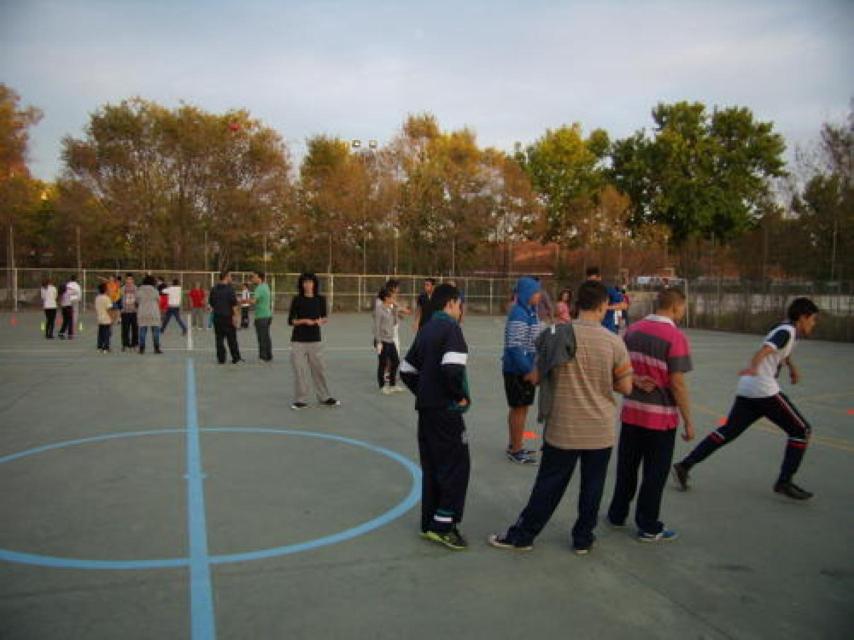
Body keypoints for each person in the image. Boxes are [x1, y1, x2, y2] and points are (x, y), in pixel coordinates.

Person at [488, 280, 633, 555]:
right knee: (593, 486)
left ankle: (524, 535)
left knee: (548, 485)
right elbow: (625, 387)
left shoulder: (556, 334)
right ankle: (583, 538)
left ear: (577, 304)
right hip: (600, 430)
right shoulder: (614, 342)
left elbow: (536, 376)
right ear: (603, 307)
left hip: (564, 427)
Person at [673, 298, 820, 501]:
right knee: (801, 430)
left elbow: (780, 352)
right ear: (803, 317)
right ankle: (784, 482)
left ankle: (684, 465)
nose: (814, 323)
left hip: (748, 388)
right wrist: (754, 366)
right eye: (813, 319)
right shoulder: (786, 331)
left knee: (727, 432)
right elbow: (766, 349)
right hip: (763, 389)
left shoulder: (786, 329)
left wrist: (791, 367)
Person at [606, 288, 694, 542]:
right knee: (655, 473)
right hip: (660, 418)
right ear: (676, 307)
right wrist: (688, 420)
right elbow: (676, 383)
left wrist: (633, 379)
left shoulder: (633, 331)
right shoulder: (675, 337)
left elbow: (619, 367)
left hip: (633, 413)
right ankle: (648, 524)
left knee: (627, 467)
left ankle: (617, 513)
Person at [400, 283, 471, 550]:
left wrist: (425, 392)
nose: (461, 310)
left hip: (427, 411)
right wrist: (457, 397)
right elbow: (452, 370)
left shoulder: (427, 328)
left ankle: (430, 521)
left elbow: (406, 370)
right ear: (451, 303)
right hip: (445, 412)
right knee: (456, 465)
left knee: (432, 466)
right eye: (460, 304)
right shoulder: (451, 329)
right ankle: (444, 525)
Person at [502, 276, 543, 464]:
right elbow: (514, 346)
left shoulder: (531, 312)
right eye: (536, 292)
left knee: (521, 408)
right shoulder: (519, 314)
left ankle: (515, 444)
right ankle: (516, 449)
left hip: (524, 368)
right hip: (518, 370)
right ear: (527, 293)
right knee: (519, 408)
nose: (539, 295)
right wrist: (528, 370)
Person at [288, 272, 339, 410]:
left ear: (315, 284)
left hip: (315, 340)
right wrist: (304, 321)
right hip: (298, 340)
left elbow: (324, 317)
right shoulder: (297, 299)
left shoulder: (320, 299)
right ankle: (300, 399)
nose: (308, 285)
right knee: (300, 370)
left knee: (319, 369)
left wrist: (320, 321)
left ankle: (324, 396)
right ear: (301, 284)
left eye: (310, 282)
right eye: (305, 282)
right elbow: (291, 321)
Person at [209, 271, 243, 365]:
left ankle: (221, 358)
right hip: (228, 317)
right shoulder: (230, 290)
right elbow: (234, 305)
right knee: (232, 338)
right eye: (230, 276)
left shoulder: (214, 289)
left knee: (219, 339)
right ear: (226, 277)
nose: (231, 278)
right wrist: (236, 318)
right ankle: (235, 357)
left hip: (217, 317)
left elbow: (211, 302)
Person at [374, 288, 403, 395]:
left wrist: (395, 310)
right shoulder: (379, 309)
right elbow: (376, 327)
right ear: (386, 298)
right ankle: (382, 386)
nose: (393, 298)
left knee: (395, 361)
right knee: (383, 363)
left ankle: (392, 384)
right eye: (391, 297)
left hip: (390, 340)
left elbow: (395, 323)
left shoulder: (390, 309)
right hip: (382, 340)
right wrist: (378, 342)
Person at [585, 266, 626, 334]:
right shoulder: (585, 291)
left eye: (594, 281)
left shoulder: (609, 290)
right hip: (591, 329)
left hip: (608, 329)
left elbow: (624, 305)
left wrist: (607, 307)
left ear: (599, 278)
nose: (592, 284)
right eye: (590, 282)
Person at [136, 275, 163, 355]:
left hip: (143, 312)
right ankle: (156, 348)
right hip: (153, 313)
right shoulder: (155, 291)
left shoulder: (139, 290)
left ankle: (142, 348)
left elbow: (137, 301)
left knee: (142, 331)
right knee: (155, 332)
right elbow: (159, 300)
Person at [250, 271, 273, 362]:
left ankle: (263, 356)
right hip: (267, 315)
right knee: (266, 336)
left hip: (261, 316)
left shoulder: (259, 288)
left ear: (259, 278)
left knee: (262, 337)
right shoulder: (266, 286)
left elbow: (253, 301)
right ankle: (268, 355)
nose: (253, 279)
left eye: (254, 277)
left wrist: (242, 300)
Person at [120, 273, 139, 352]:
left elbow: (138, 299)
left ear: (133, 280)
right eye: (128, 279)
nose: (129, 281)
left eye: (130, 279)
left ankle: (134, 344)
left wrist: (137, 308)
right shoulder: (122, 288)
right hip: (125, 312)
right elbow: (119, 299)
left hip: (134, 312)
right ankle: (125, 344)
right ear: (125, 280)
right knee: (125, 329)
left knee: (135, 329)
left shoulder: (136, 288)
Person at [95, 282, 113, 353]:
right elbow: (109, 309)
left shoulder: (97, 298)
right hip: (106, 318)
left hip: (99, 317)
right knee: (106, 333)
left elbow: (96, 308)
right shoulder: (107, 298)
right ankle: (106, 347)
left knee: (100, 333)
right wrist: (112, 318)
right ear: (105, 290)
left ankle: (99, 347)